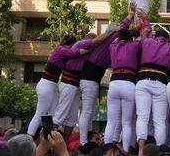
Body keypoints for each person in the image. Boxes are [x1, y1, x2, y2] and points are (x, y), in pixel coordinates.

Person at [55, 27, 124, 135]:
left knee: (72, 118)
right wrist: (111, 32)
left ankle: (65, 143)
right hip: (68, 83)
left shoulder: (87, 50)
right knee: (61, 115)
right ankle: (46, 140)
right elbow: (95, 42)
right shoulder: (82, 44)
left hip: (74, 84)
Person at [77, 16, 132, 146]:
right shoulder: (108, 42)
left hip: (91, 80)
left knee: (89, 112)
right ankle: (83, 141)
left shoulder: (110, 47)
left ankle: (86, 139)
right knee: (87, 111)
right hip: (89, 80)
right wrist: (130, 16)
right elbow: (122, 28)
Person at [135, 19, 170, 154]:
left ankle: (140, 150)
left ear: (156, 37)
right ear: (167, 39)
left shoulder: (147, 42)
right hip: (160, 84)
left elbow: (146, 32)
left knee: (142, 117)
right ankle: (160, 150)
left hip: (143, 81)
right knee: (160, 121)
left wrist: (146, 19)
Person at [27, 36, 89, 136]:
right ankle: (28, 138)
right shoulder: (61, 50)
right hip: (46, 85)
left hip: (50, 86)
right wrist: (90, 48)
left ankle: (47, 136)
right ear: (71, 44)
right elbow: (76, 53)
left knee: (53, 113)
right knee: (39, 114)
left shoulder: (60, 51)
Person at [104, 22, 143, 152]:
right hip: (129, 83)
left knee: (111, 122)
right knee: (126, 123)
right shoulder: (134, 45)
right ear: (130, 39)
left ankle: (106, 151)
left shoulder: (113, 46)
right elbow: (140, 39)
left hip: (114, 83)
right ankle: (125, 151)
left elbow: (115, 39)